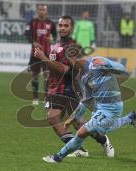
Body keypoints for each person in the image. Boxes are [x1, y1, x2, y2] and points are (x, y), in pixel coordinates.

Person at [34, 45, 136, 163]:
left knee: (85, 131)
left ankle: (58, 157)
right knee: (95, 131)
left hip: (113, 106)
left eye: (70, 59)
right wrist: (73, 118)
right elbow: (87, 100)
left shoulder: (96, 62)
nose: (70, 63)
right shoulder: (82, 77)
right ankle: (130, 118)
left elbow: (122, 68)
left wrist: (107, 64)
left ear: (75, 58)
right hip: (101, 107)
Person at [33, 15, 115, 158]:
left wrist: (43, 58)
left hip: (69, 89)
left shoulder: (72, 47)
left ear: (72, 28)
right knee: (53, 118)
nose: (63, 28)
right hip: (55, 88)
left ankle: (103, 139)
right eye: (61, 25)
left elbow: (64, 69)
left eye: (66, 26)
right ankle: (78, 149)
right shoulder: (57, 45)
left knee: (79, 124)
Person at [25, 4, 57, 105]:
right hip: (35, 54)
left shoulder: (50, 23)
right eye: (40, 10)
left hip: (46, 54)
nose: (42, 11)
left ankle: (46, 98)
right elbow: (27, 33)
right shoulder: (33, 22)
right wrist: (33, 42)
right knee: (34, 76)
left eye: (43, 10)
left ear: (46, 12)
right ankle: (35, 98)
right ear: (37, 11)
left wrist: (51, 39)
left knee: (47, 76)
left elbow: (55, 36)